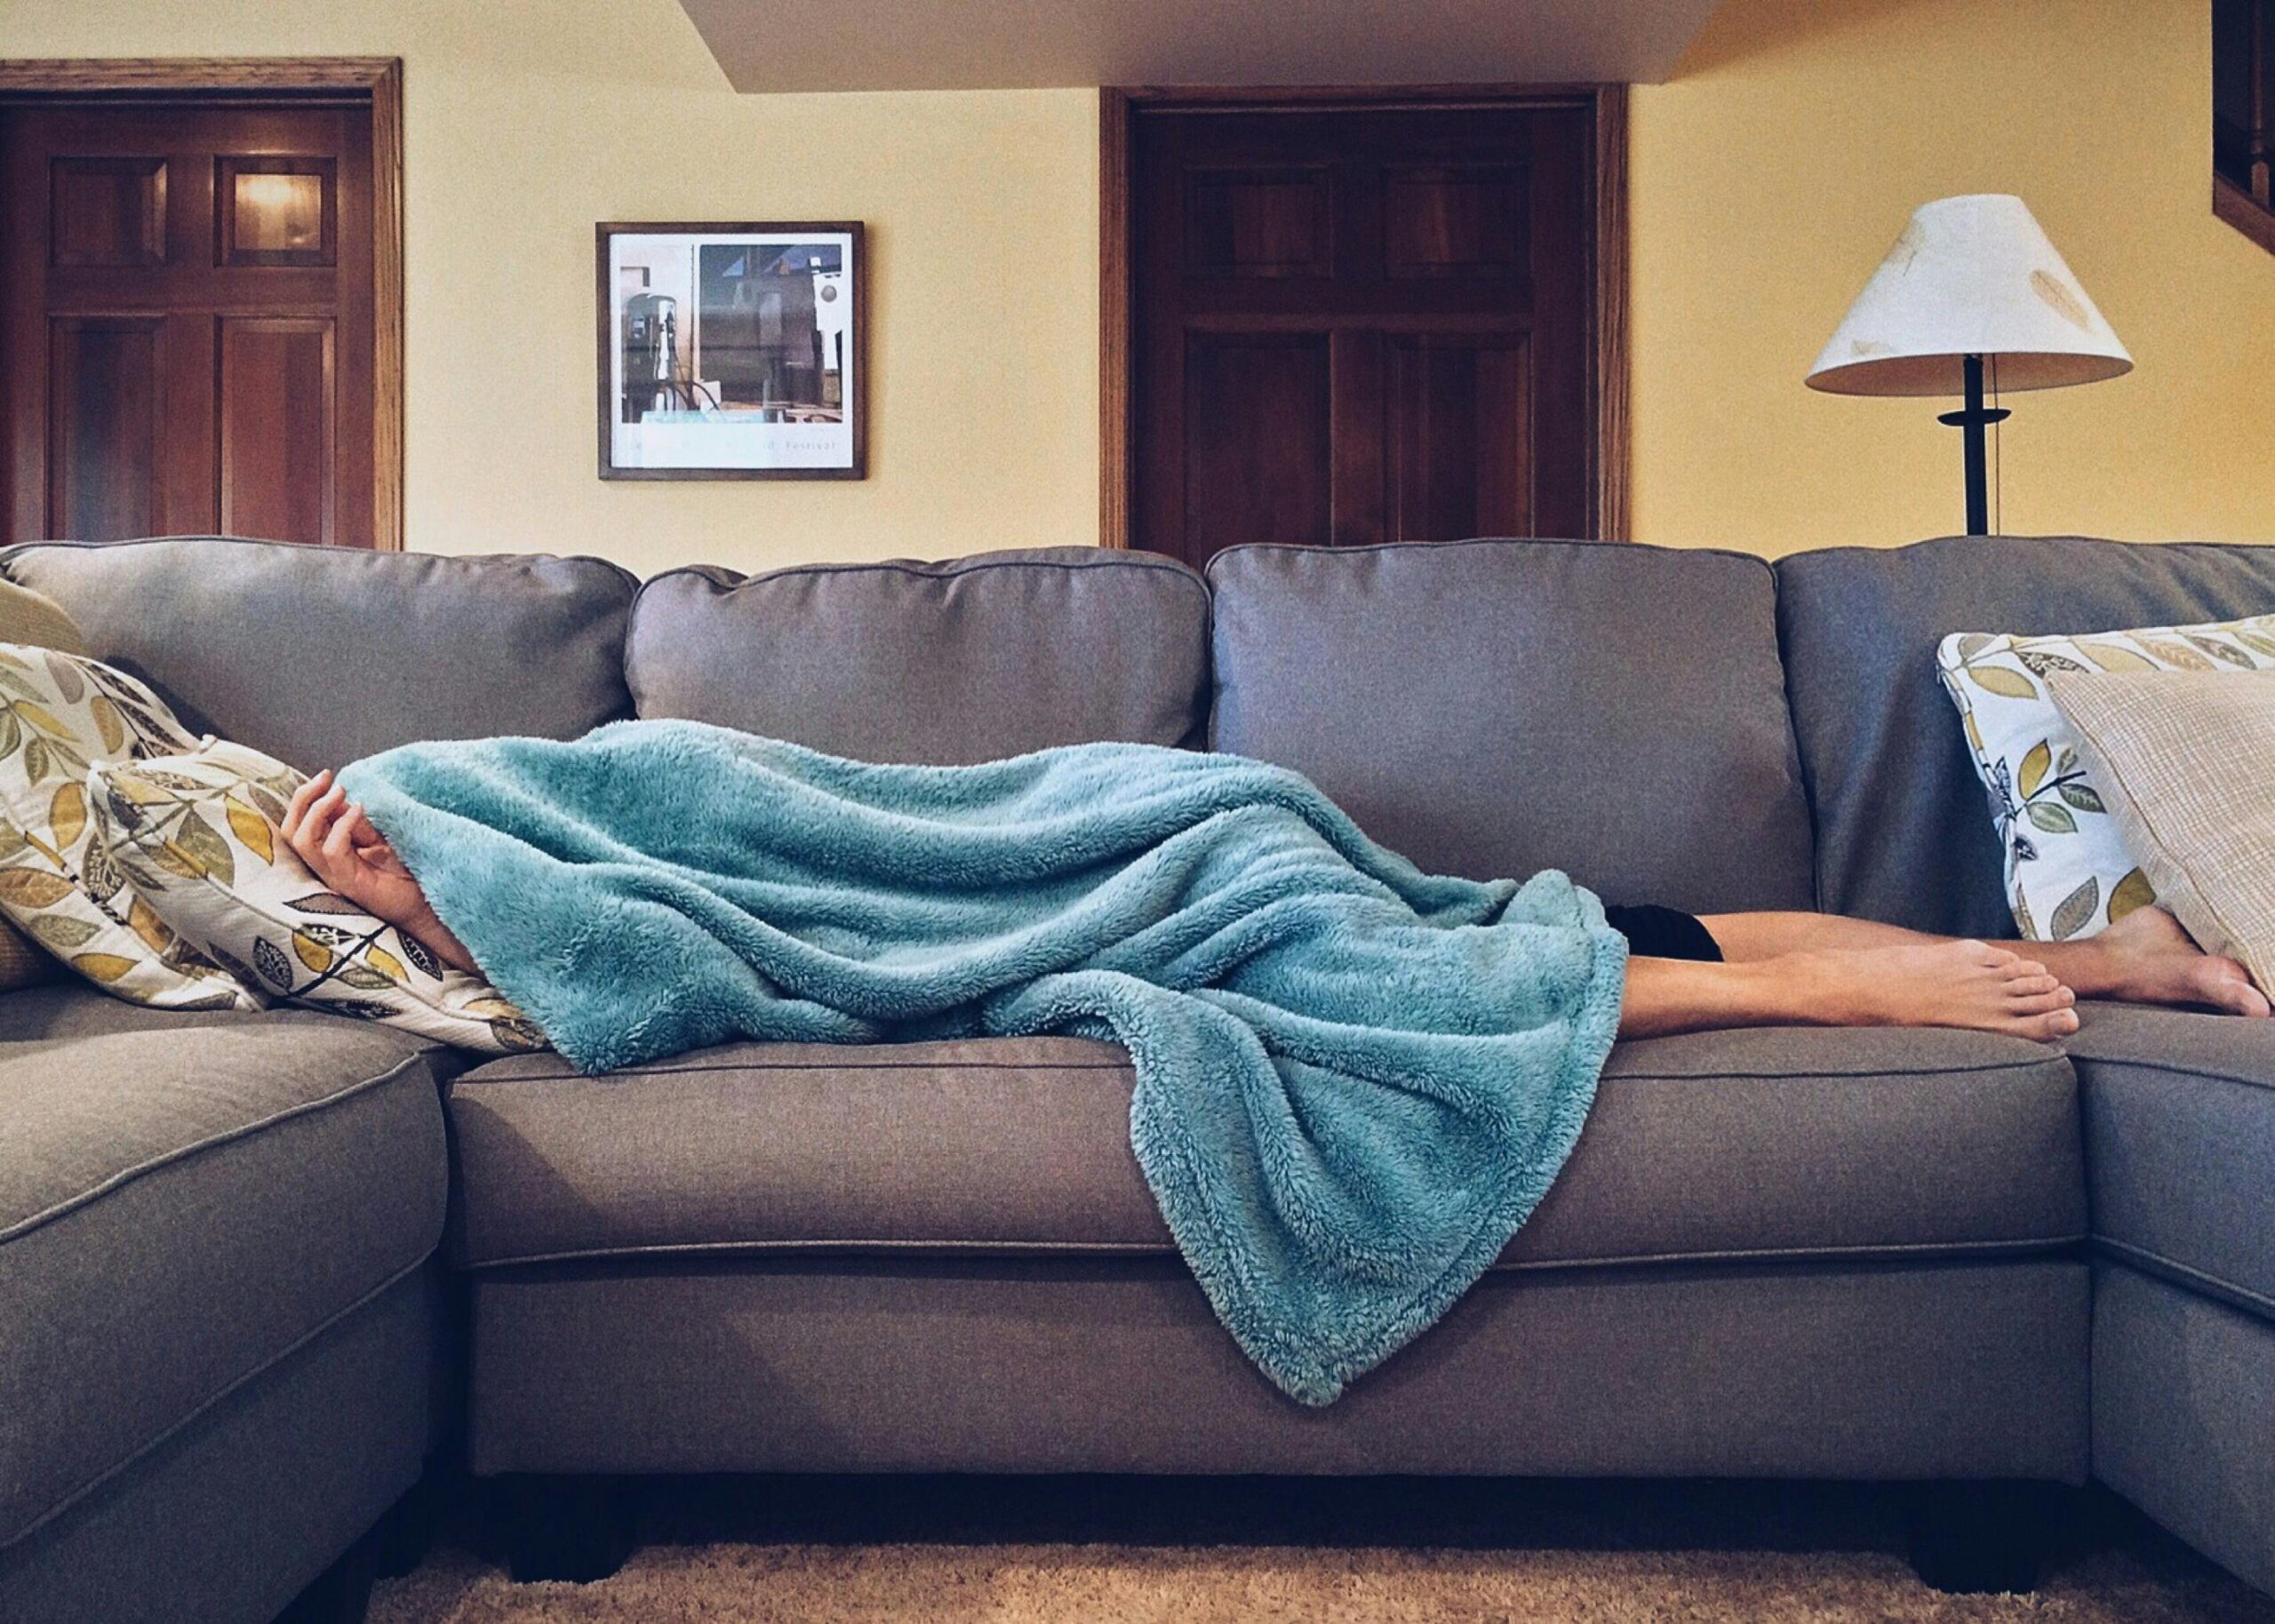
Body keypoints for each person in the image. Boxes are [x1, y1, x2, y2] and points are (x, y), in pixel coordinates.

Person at [279, 767, 2271, 1046]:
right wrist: (444, 907)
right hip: (1203, 833)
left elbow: (697, 916)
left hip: (1185, 838)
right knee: (1569, 919)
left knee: (1430, 970)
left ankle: (1871, 995)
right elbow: (674, 949)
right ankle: (2106, 955)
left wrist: (442, 891)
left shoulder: (557, 791)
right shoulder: (522, 840)